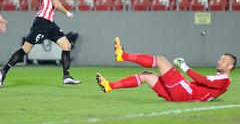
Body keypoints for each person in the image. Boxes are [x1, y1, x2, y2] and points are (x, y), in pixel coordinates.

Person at [0, 0, 81, 87]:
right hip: (42, 23)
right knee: (25, 49)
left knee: (66, 45)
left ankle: (66, 76)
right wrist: (67, 12)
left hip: (49, 23)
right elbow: (56, 4)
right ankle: (3, 70)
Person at [96, 37, 237, 101]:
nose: (219, 61)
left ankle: (123, 55)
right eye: (220, 58)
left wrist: (184, 66)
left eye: (223, 60)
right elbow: (207, 88)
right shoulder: (223, 81)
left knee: (161, 60)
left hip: (187, 93)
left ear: (230, 66)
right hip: (183, 94)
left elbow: (201, 79)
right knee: (147, 75)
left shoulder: (224, 80)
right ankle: (109, 86)